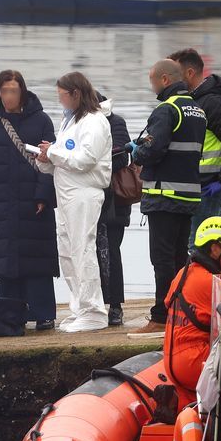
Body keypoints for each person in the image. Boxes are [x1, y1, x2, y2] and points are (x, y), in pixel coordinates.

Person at [0, 70, 60, 329]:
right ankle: (10, 313)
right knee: (7, 260)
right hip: (2, 201)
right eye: (4, 91)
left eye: (13, 90)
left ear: (22, 92)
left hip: (34, 202)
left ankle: (43, 313)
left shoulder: (41, 121)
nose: (8, 96)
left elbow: (50, 160)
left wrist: (44, 194)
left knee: (37, 258)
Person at [129, 59, 207, 335]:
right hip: (187, 197)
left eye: (152, 81)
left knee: (161, 259)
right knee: (178, 259)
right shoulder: (197, 111)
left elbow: (152, 150)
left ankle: (160, 317)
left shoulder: (167, 109)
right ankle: (178, 314)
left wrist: (136, 151)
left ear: (164, 79)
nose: (152, 87)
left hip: (164, 195)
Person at [36, 72, 113, 333]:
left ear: (76, 94)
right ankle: (80, 307)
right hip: (66, 193)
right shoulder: (70, 121)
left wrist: (54, 152)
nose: (60, 101)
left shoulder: (95, 121)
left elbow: (85, 159)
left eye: (62, 96)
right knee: (67, 252)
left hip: (84, 193)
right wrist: (45, 158)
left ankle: (94, 310)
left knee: (83, 249)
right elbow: (64, 161)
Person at [169, 48, 221, 237]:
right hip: (195, 186)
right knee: (199, 246)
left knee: (206, 246)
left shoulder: (212, 103)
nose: (171, 79)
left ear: (189, 73)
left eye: (175, 73)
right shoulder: (190, 101)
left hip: (208, 189)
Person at [163, 217, 221, 406]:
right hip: (196, 364)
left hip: (172, 363)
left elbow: (167, 303)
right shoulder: (213, 284)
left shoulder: (183, 273)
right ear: (215, 248)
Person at [96, 89, 131, 327]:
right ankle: (96, 303)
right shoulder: (75, 124)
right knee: (91, 254)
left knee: (111, 253)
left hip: (114, 202)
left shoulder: (115, 122)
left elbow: (122, 157)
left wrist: (89, 161)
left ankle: (115, 305)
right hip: (90, 198)